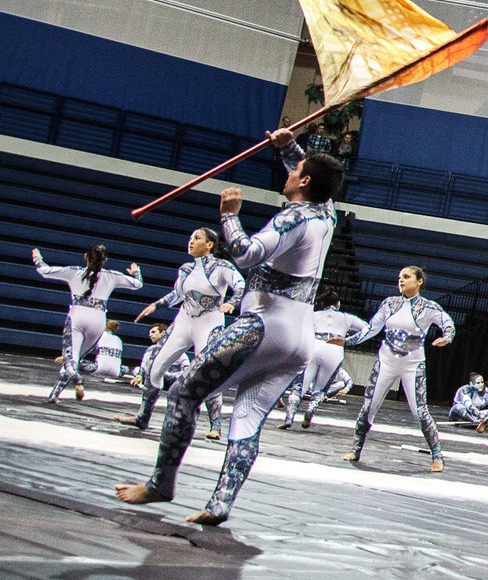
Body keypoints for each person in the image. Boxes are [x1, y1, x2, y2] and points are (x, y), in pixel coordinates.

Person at [115, 130, 342, 524]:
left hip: (266, 323)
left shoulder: (293, 216)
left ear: (304, 182)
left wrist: (229, 214)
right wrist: (288, 147)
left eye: (296, 170)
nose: (288, 173)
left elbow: (246, 254)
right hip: (300, 335)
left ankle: (160, 483)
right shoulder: (328, 212)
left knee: (185, 391)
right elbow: (310, 171)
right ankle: (220, 504)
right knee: (248, 417)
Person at [123, 229, 242, 428]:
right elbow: (176, 295)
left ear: (210, 244)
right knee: (154, 368)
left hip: (209, 322)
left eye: (197, 238)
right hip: (184, 321)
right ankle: (143, 417)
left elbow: (240, 285)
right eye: (190, 238)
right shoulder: (186, 268)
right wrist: (155, 305)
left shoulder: (222, 266)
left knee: (207, 372)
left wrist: (232, 302)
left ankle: (216, 425)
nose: (191, 242)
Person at [345, 267, 455, 472]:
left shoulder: (428, 307)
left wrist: (447, 337)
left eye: (406, 277)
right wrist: (346, 342)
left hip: (412, 365)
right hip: (386, 361)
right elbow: (371, 329)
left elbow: (447, 323)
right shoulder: (389, 303)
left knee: (419, 412)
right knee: (369, 407)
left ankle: (437, 455)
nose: (401, 281)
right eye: (399, 278)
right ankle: (356, 449)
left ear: (419, 281)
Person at [31, 244, 143, 404]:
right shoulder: (112, 275)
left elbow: (44, 271)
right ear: (105, 259)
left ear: (85, 257)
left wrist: (37, 258)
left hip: (78, 315)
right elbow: (138, 284)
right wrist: (136, 272)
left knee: (71, 359)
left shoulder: (75, 272)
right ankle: (54, 395)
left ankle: (77, 379)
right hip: (98, 320)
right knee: (75, 358)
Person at [282, 288, 366, 429]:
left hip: (315, 345)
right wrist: (348, 340)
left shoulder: (314, 315)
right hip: (335, 348)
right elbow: (367, 329)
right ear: (338, 304)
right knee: (320, 389)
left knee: (299, 387)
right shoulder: (347, 317)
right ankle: (311, 410)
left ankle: (289, 417)